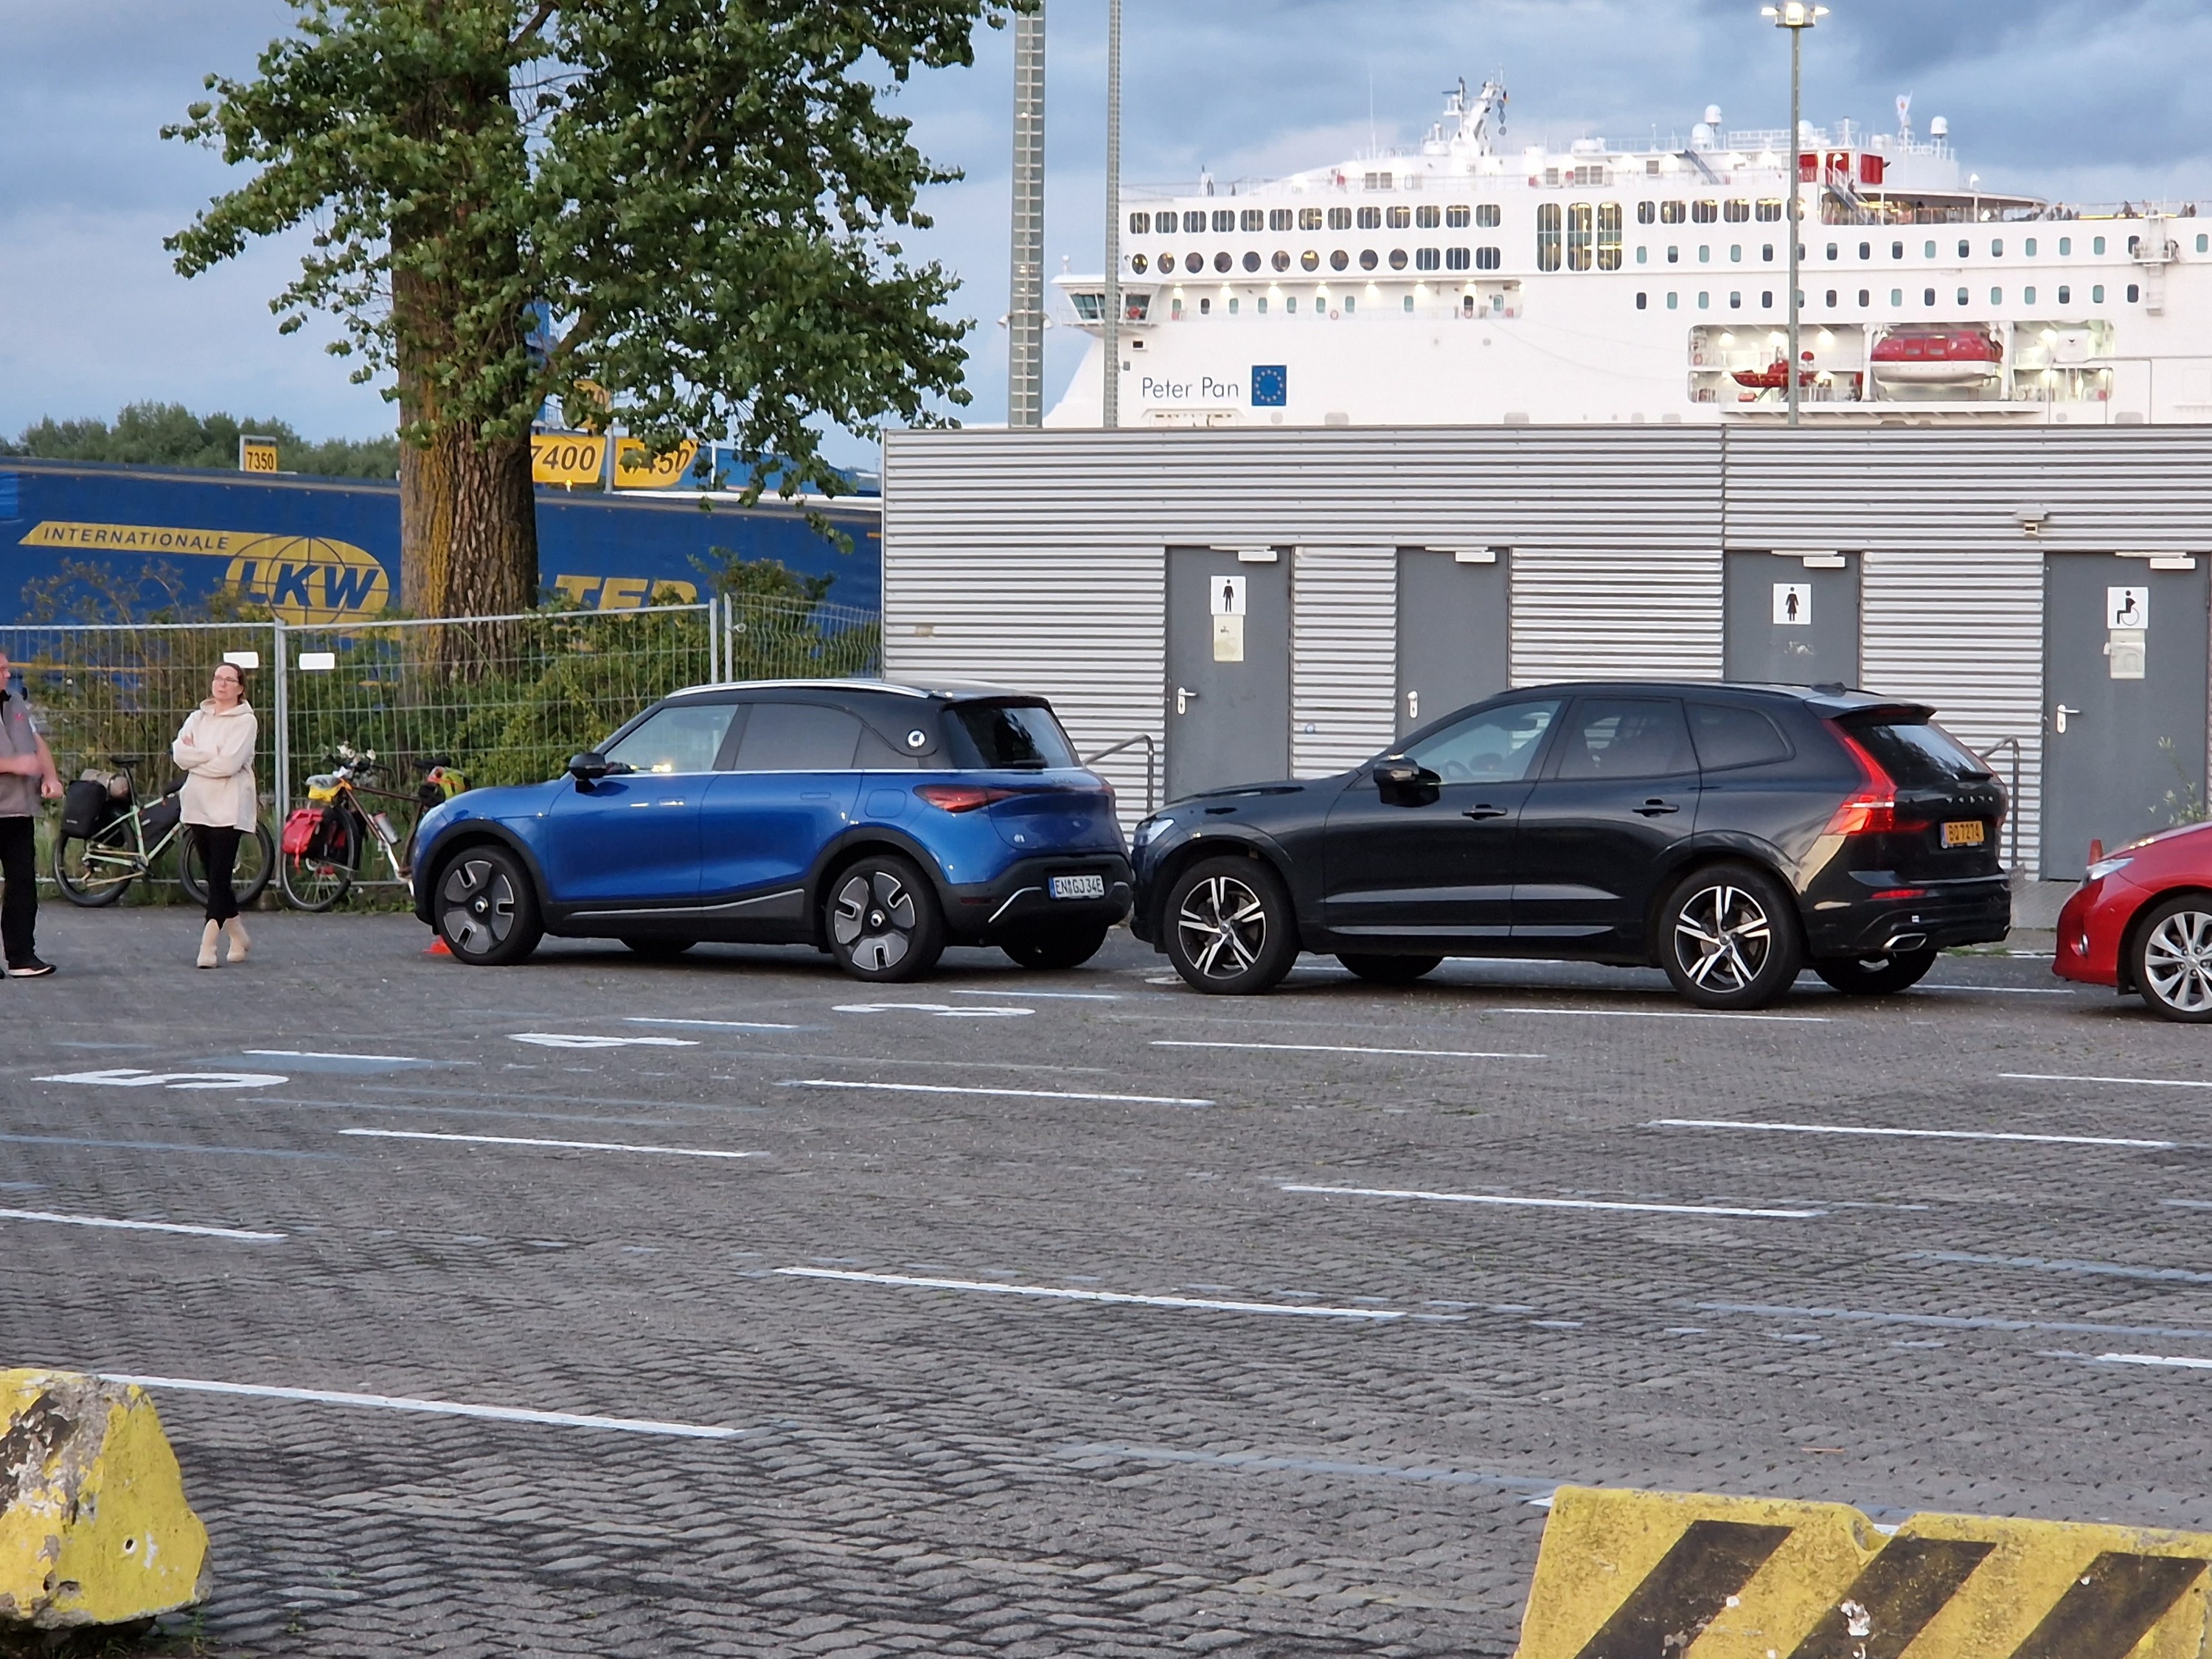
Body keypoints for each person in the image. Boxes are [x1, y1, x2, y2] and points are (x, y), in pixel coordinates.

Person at [172, 662, 259, 969]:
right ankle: (237, 933)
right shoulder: (197, 717)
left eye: (229, 680)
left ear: (240, 688)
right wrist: (210, 756)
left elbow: (229, 764)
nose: (221, 684)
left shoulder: (245, 722)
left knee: (220, 875)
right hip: (198, 803)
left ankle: (208, 943)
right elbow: (180, 754)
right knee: (212, 874)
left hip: (228, 805)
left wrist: (200, 757)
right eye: (217, 678)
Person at [0, 648, 63, 977]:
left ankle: (22, 956)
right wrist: (13, 765)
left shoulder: (15, 703)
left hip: (18, 811)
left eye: (8, 669)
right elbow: (20, 760)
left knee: (23, 884)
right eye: (1, 669)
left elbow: (37, 743)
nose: (7, 675)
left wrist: (50, 777)